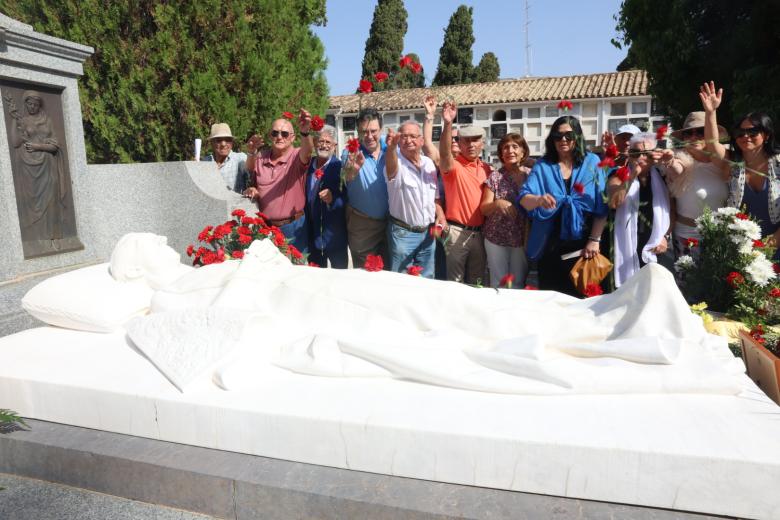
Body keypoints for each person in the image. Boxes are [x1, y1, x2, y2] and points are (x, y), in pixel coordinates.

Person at [518, 116, 608, 297]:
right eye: (557, 136)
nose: (563, 140)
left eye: (568, 135)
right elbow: (523, 199)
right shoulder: (543, 165)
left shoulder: (592, 162)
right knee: (552, 298)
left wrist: (594, 240)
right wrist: (538, 199)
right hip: (551, 243)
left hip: (585, 242)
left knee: (585, 299)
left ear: (578, 137)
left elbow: (602, 205)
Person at [699, 81, 780, 249]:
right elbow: (712, 144)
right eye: (740, 132)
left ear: (766, 135)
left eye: (752, 131)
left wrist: (768, 245)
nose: (745, 136)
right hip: (739, 247)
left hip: (774, 246)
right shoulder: (732, 164)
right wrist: (711, 112)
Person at [244, 110, 314, 255]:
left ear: (293, 137)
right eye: (275, 133)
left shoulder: (296, 156)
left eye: (285, 134)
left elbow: (307, 152)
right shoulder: (261, 157)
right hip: (265, 228)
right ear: (270, 136)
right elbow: (249, 169)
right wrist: (251, 152)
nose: (279, 137)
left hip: (293, 227)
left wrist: (305, 133)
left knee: (295, 273)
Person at [660, 109, 729, 255]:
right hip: (686, 237)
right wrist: (670, 161)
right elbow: (676, 169)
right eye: (688, 133)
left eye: (700, 132)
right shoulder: (680, 159)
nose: (694, 137)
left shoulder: (725, 161)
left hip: (720, 237)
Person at [607, 133, 672, 287]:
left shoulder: (662, 176)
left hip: (655, 243)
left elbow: (671, 208)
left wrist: (666, 236)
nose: (641, 157)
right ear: (629, 154)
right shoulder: (618, 174)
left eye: (647, 153)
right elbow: (614, 202)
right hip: (627, 243)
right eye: (636, 153)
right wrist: (632, 174)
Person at [438, 101, 490, 284]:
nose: (471, 144)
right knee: (455, 285)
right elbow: (444, 154)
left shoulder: (487, 169)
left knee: (477, 283)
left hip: (480, 235)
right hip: (456, 233)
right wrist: (447, 123)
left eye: (475, 139)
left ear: (482, 143)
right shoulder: (454, 166)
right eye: (466, 140)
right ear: (459, 143)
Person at [7, 90, 67, 241]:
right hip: (29, 169)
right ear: (25, 104)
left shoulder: (47, 121)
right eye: (30, 104)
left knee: (52, 199)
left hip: (48, 166)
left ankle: (54, 237)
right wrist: (14, 119)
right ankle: (36, 238)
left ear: (40, 105)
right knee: (31, 203)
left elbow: (55, 146)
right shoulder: (23, 121)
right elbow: (15, 142)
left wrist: (38, 146)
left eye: (36, 104)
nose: (32, 107)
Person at [384, 121, 439, 277]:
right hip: (403, 234)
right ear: (398, 140)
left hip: (428, 233)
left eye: (413, 136)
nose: (408, 140)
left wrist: (440, 215)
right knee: (401, 282)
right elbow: (391, 169)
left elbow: (435, 198)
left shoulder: (429, 164)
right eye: (404, 136)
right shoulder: (395, 162)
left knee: (427, 278)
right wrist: (391, 148)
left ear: (421, 140)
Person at [480, 133, 531, 287]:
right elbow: (484, 208)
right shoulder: (495, 177)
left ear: (523, 151)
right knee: (499, 281)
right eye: (506, 148)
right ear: (501, 154)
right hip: (496, 237)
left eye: (515, 147)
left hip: (522, 237)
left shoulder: (532, 174)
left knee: (519, 281)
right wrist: (497, 204)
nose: (510, 151)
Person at [342, 108, 388, 268]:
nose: (369, 136)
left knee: (391, 273)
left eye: (373, 131)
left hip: (391, 223)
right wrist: (353, 169)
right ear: (358, 132)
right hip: (363, 225)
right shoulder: (351, 152)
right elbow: (347, 176)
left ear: (380, 129)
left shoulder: (391, 149)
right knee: (364, 273)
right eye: (364, 132)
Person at [305, 125, 348, 268]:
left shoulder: (340, 168)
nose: (323, 145)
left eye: (328, 142)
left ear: (334, 146)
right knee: (315, 278)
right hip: (311, 234)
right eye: (320, 141)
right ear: (315, 142)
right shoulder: (308, 165)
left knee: (340, 277)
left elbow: (346, 198)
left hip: (334, 235)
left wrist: (332, 199)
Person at [202, 123, 249, 193]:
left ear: (232, 142)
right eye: (218, 140)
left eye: (227, 140)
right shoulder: (205, 162)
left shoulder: (240, 158)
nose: (223, 144)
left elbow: (254, 176)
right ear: (211, 143)